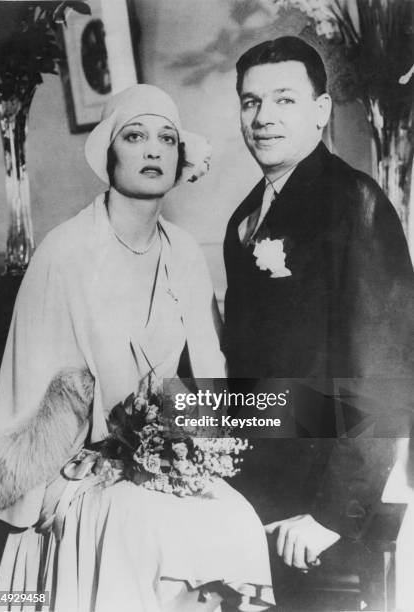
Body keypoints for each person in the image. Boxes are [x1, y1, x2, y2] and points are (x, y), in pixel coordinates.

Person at [0, 85, 273, 611]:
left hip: (155, 458)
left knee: (237, 522)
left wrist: (188, 449)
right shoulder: (65, 252)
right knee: (142, 530)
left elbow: (210, 376)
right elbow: (31, 404)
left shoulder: (183, 252)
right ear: (110, 156)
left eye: (166, 138)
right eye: (135, 137)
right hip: (69, 465)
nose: (153, 150)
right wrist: (99, 456)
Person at [223, 36, 414, 599]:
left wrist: (332, 514)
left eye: (284, 100)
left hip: (322, 510)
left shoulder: (355, 203)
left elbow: (386, 373)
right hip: (257, 492)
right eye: (250, 102)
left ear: (321, 111)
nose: (263, 118)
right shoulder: (245, 217)